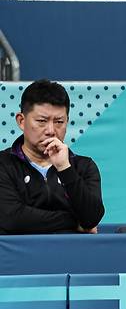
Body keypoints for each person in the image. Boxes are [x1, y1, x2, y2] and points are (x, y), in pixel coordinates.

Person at [0, 79, 104, 234]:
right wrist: (74, 222)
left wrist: (64, 168)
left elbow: (91, 218)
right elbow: (12, 218)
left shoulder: (84, 166)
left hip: (73, 255)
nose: (51, 130)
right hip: (18, 256)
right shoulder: (3, 164)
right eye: (42, 121)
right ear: (21, 121)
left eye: (59, 122)